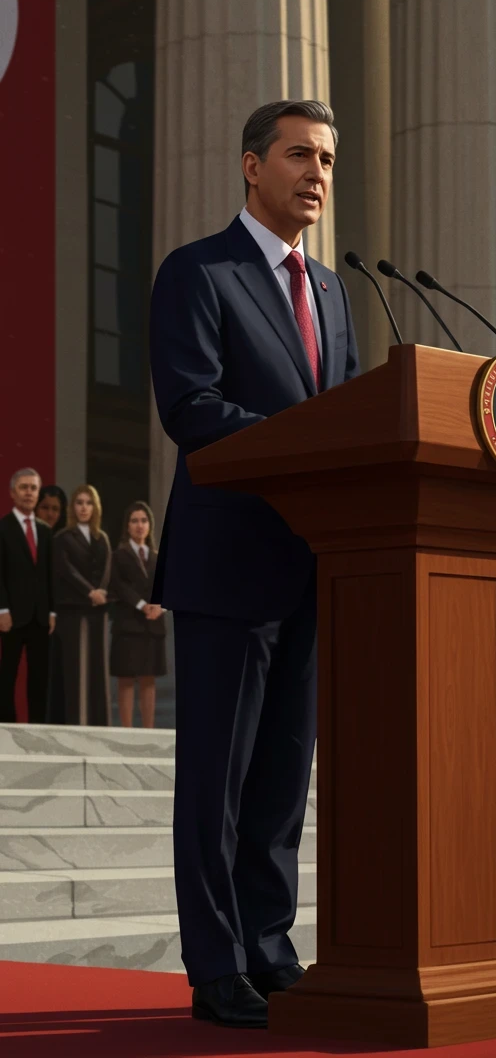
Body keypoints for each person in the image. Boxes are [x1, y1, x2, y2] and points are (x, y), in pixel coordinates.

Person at [150, 100, 359, 1028]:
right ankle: (217, 963)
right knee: (219, 783)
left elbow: (352, 414)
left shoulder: (337, 293)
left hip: (314, 568)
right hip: (227, 567)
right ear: (251, 167)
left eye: (326, 159)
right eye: (299, 155)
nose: (316, 173)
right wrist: (310, 444)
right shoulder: (199, 271)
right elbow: (192, 408)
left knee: (281, 782)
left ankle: (271, 948)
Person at [53, 484, 112, 726]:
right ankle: (76, 722)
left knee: (98, 669)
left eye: (88, 503)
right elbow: (66, 570)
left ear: (95, 507)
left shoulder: (102, 538)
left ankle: (99, 723)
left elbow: (107, 568)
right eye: (79, 502)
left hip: (98, 609)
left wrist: (102, 591)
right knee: (75, 668)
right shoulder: (63, 538)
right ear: (73, 507)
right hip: (73, 609)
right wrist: (90, 591)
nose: (84, 507)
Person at [0, 469, 55, 723]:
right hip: (11, 616)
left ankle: (37, 729)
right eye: (24, 487)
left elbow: (49, 575)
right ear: (13, 493)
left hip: (41, 617)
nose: (29, 492)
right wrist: (2, 610)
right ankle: (7, 727)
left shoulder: (45, 531)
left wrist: (52, 611)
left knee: (39, 677)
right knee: (7, 674)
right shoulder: (3, 528)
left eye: (33, 488)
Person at [109, 502, 167, 728]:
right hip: (128, 624)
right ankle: (126, 730)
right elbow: (119, 586)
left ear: (150, 525)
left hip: (153, 625)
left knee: (148, 678)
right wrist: (143, 605)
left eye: (143, 520)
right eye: (135, 521)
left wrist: (159, 606)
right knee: (126, 678)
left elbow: (167, 586)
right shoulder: (118, 555)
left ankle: (149, 731)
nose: (139, 525)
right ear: (127, 526)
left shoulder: (157, 557)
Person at [37, 485, 68, 723]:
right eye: (45, 508)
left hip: (61, 618)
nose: (50, 514)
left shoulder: (63, 540)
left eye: (56, 509)